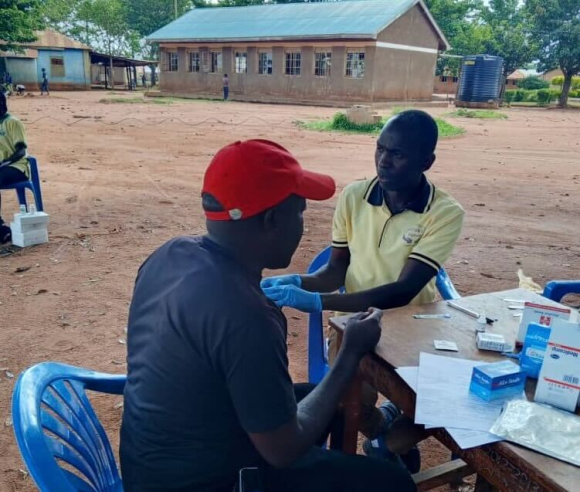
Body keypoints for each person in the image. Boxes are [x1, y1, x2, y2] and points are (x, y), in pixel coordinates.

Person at [120, 139, 417, 492]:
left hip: (154, 463)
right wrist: (350, 353)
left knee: (335, 402)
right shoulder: (246, 313)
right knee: (393, 483)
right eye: (301, 213)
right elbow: (283, 450)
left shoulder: (169, 254)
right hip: (209, 481)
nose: (303, 225)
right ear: (272, 221)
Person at [262, 110, 465, 471]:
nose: (383, 161)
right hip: (353, 328)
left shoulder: (443, 212)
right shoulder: (355, 196)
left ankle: (389, 441)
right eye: (380, 148)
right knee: (350, 402)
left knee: (441, 402)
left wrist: (318, 300)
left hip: (412, 327)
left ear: (426, 161)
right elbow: (335, 270)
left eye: (398, 154)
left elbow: (403, 291)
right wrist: (300, 282)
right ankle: (387, 434)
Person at [0, 91, 29, 243]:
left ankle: (1, 230)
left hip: (17, 166)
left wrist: (4, 162)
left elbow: (21, 151)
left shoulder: (13, 122)